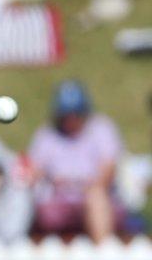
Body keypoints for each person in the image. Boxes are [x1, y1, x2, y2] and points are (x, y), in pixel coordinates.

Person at [28, 80, 125, 243]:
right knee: (26, 199)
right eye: (66, 115)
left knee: (96, 199)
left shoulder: (102, 128)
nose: (71, 119)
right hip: (57, 204)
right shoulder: (47, 134)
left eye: (76, 114)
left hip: (95, 202)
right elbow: (34, 170)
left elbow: (108, 171)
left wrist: (81, 186)